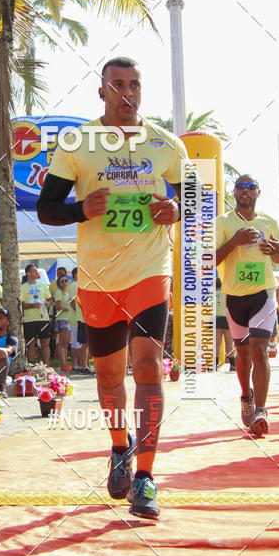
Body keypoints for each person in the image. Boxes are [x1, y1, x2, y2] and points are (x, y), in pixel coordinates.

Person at [37, 56, 187, 520]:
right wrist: (82, 208)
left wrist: (176, 208)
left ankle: (145, 475)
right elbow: (47, 209)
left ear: (142, 91)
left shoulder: (166, 144)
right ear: (101, 92)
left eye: (135, 85)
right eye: (117, 85)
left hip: (149, 268)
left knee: (146, 366)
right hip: (99, 276)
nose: (127, 93)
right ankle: (118, 448)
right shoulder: (77, 143)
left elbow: (196, 198)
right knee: (107, 377)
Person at [216, 174, 279, 437]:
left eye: (251, 187)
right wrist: (234, 241)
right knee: (243, 355)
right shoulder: (222, 223)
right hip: (234, 297)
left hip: (263, 294)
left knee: (259, 350)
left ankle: (260, 410)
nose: (245, 191)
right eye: (240, 187)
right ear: (233, 192)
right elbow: (208, 260)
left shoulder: (269, 222)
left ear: (259, 192)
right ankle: (246, 394)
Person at [21, 263, 53, 364]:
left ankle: (47, 367)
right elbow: (21, 305)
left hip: (43, 319)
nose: (37, 272)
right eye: (34, 271)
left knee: (45, 343)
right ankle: (31, 366)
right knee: (31, 344)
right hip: (29, 320)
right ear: (28, 273)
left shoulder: (42, 285)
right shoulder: (23, 287)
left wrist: (48, 303)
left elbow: (50, 299)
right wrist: (32, 306)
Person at [53, 273, 72, 371]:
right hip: (62, 319)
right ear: (59, 284)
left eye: (66, 280)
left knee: (66, 343)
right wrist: (68, 309)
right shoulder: (59, 293)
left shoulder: (67, 293)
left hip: (68, 319)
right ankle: (63, 364)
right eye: (62, 281)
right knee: (62, 343)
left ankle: (65, 363)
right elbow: (57, 306)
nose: (64, 283)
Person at [215, 276, 235, 371]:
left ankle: (215, 365)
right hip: (227, 320)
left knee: (217, 344)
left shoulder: (212, 295)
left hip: (216, 320)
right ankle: (232, 365)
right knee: (229, 344)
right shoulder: (227, 294)